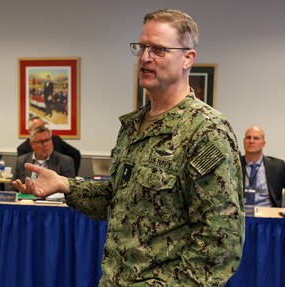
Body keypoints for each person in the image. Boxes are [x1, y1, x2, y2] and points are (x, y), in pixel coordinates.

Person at [13, 9, 244, 286]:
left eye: (158, 49)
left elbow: (220, 242)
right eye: (142, 47)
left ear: (187, 58)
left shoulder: (206, 130)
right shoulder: (133, 126)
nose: (145, 57)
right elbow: (118, 200)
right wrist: (65, 184)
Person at [10, 126, 75, 200]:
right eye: (41, 142)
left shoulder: (66, 161)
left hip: (52, 205)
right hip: (25, 203)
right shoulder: (22, 160)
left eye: (48, 140)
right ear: (32, 145)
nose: (45, 144)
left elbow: (70, 189)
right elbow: (12, 188)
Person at [17, 116, 81, 175]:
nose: (45, 144)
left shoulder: (55, 140)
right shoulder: (23, 149)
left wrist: (72, 174)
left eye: (43, 126)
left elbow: (75, 154)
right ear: (30, 130)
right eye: (39, 127)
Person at [241, 126, 285, 207]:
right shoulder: (234, 165)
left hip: (269, 214)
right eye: (248, 137)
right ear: (244, 141)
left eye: (256, 138)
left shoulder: (278, 166)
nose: (251, 141)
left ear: (263, 143)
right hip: (239, 215)